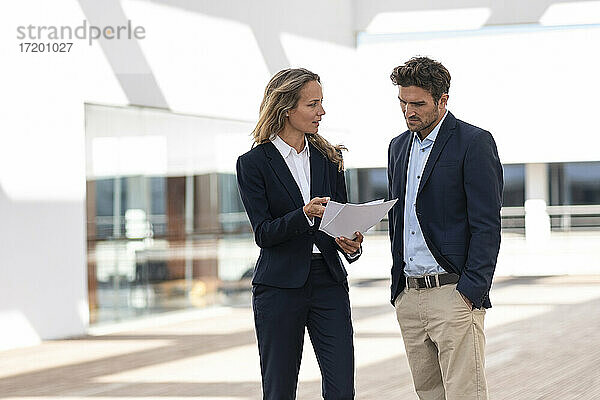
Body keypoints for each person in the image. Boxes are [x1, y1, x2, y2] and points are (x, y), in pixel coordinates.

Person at [236, 68, 364, 400]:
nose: (321, 112)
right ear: (286, 108)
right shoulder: (253, 163)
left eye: (321, 103)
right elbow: (263, 233)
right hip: (279, 287)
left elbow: (342, 219)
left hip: (329, 283)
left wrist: (352, 245)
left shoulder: (330, 158)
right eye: (313, 104)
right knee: (279, 391)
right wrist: (304, 214)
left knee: (342, 391)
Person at [386, 56, 503, 399]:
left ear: (443, 100)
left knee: (465, 394)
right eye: (403, 103)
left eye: (418, 104)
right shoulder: (397, 147)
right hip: (409, 295)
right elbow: (402, 218)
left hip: (453, 293)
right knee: (429, 395)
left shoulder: (474, 142)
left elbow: (487, 225)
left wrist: (471, 292)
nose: (409, 111)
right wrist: (399, 293)